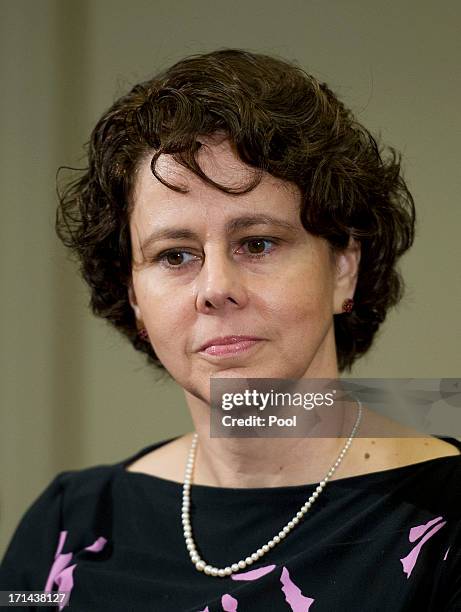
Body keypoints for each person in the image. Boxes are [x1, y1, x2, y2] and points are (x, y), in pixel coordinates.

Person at [1, 48, 460, 611]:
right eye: (174, 255)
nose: (215, 287)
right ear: (133, 297)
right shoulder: (65, 530)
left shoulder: (448, 522)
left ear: (344, 266)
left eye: (258, 243)